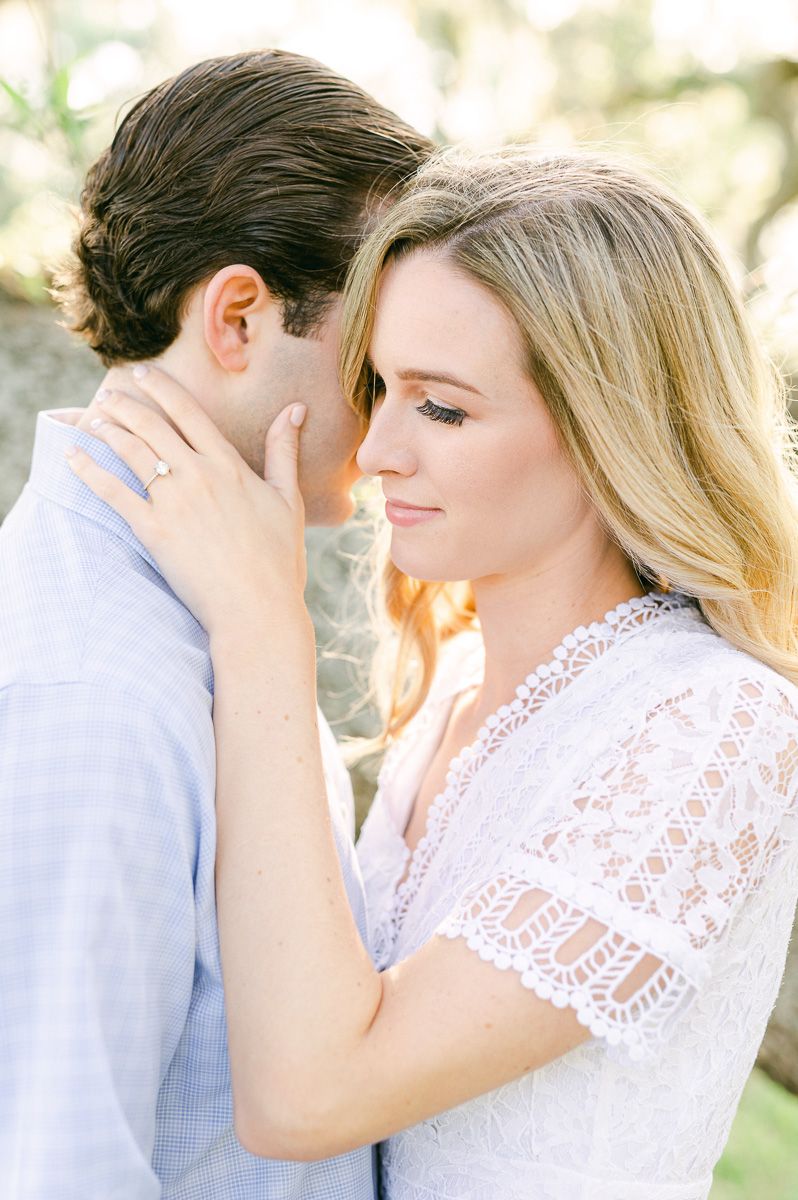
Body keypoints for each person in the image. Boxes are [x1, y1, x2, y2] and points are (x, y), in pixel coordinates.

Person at [67, 147, 798, 1200]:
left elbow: (308, 1099)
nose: (374, 454)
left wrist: (265, 632)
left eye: (443, 409)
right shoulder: (456, 689)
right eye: (378, 389)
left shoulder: (718, 725)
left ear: (613, 430)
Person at [0, 49, 431, 1198]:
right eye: (376, 369)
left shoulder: (199, 618)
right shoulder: (97, 697)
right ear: (239, 314)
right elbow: (63, 1171)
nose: (396, 432)